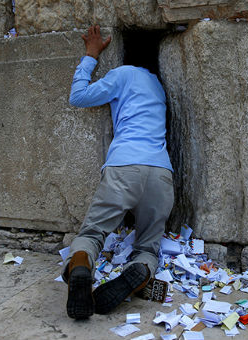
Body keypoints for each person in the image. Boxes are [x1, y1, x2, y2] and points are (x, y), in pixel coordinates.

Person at [62, 25, 174, 320]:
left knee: (93, 233)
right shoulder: (159, 88)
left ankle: (82, 262)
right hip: (161, 174)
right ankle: (140, 271)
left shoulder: (123, 74)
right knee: (147, 246)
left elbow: (79, 96)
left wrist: (91, 55)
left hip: (125, 167)